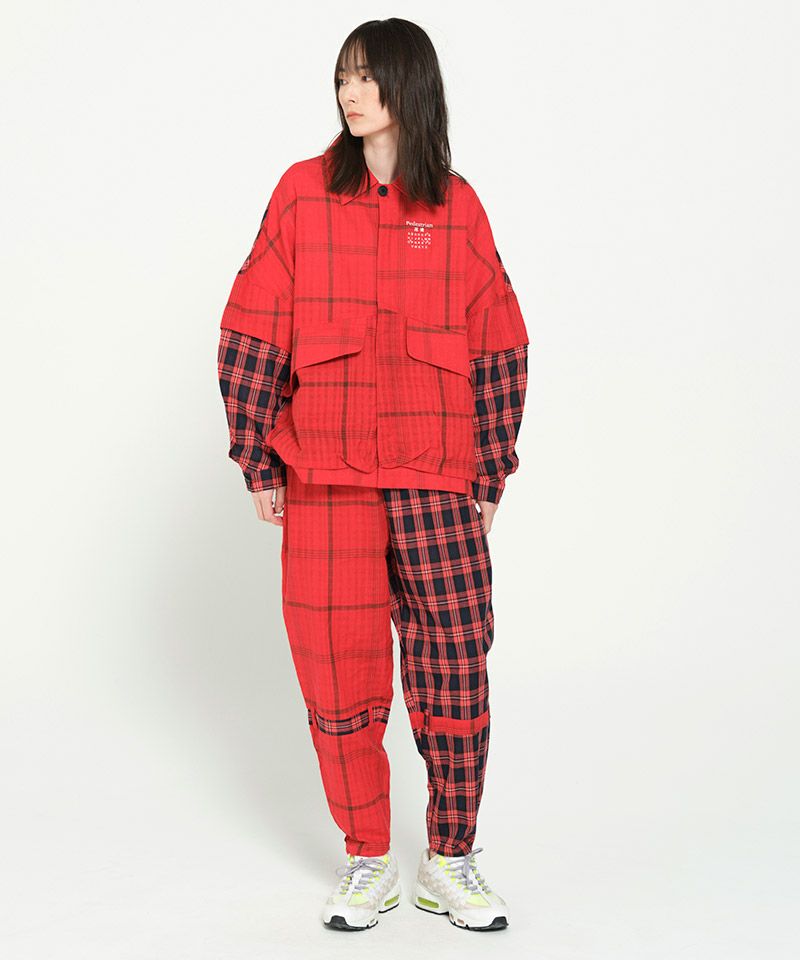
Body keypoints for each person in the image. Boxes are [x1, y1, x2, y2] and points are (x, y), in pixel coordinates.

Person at [217, 18, 529, 933]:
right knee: (336, 669)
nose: (350, 94)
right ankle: (367, 858)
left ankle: (450, 858)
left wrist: (490, 468)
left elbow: (500, 337)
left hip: (435, 478)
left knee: (455, 665)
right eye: (342, 78)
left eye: (367, 77)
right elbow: (253, 322)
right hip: (328, 477)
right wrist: (256, 453)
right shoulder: (302, 194)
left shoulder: (457, 206)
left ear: (409, 84)